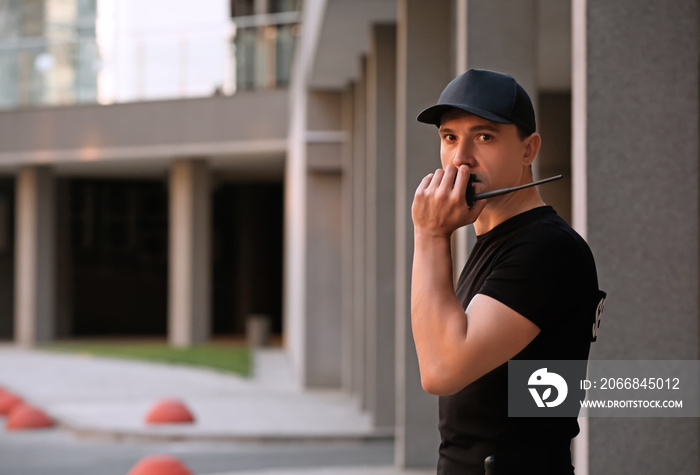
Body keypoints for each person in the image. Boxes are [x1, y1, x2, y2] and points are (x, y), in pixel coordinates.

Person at [411, 69, 605, 474]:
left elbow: (442, 371)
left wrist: (430, 235)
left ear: (528, 149)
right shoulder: (502, 240)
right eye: (450, 137)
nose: (460, 157)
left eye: (484, 137)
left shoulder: (544, 248)